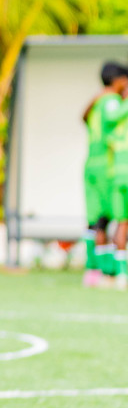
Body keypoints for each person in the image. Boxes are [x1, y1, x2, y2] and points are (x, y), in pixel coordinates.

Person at [86, 62, 128, 287]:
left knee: (99, 221)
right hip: (110, 170)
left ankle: (99, 271)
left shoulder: (98, 103)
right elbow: (112, 118)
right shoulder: (113, 103)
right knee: (118, 222)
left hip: (96, 167)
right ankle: (113, 272)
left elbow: (84, 118)